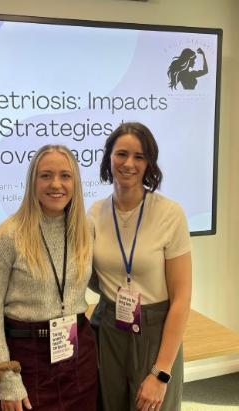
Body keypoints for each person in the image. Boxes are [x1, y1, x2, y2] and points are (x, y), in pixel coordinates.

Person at [0, 144, 97, 411]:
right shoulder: (8, 235)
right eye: (46, 175)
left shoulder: (85, 229)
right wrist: (6, 379)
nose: (56, 184)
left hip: (78, 355)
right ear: (33, 181)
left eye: (65, 176)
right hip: (26, 358)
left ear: (75, 182)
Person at [88, 122, 192, 411]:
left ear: (149, 163)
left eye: (139, 156)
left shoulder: (170, 214)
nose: (129, 164)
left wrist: (161, 372)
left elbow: (182, 299)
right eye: (121, 154)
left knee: (152, 404)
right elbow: (89, 274)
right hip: (109, 327)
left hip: (155, 331)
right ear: (109, 157)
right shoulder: (95, 213)